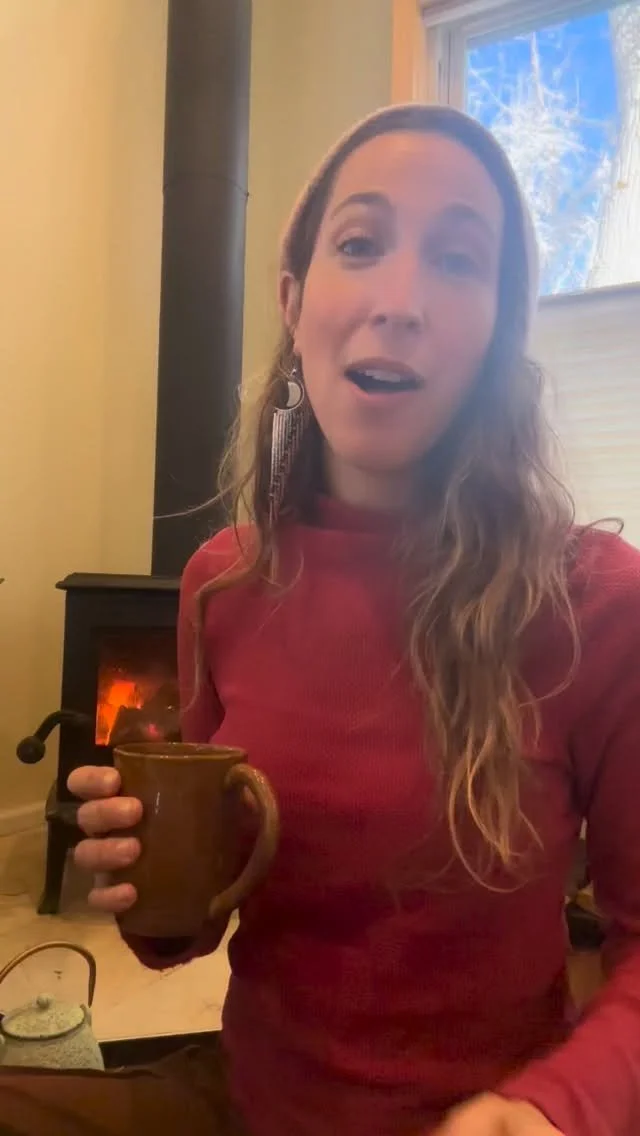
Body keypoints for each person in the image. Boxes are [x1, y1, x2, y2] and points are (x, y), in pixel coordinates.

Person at [1, 103, 640, 1136]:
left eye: (457, 261)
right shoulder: (221, 582)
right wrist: (156, 891)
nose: (400, 302)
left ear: (497, 333)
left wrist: (556, 1106)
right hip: (248, 1101)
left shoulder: (597, 601)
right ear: (294, 302)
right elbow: (188, 934)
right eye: (360, 243)